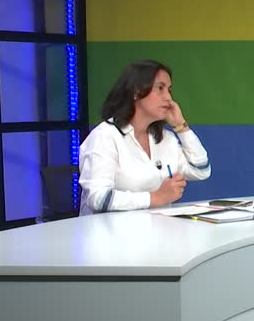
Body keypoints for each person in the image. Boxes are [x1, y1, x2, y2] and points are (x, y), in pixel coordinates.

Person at [79, 60, 211, 215]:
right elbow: (99, 198)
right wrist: (155, 198)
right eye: (160, 88)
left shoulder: (165, 138)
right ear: (136, 92)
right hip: (112, 229)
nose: (168, 97)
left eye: (169, 90)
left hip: (159, 227)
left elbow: (201, 170)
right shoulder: (105, 136)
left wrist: (181, 127)